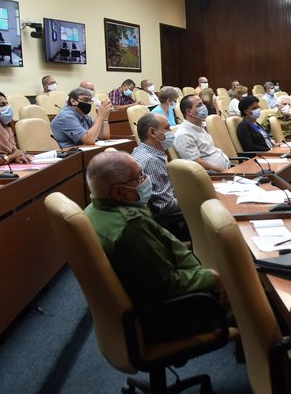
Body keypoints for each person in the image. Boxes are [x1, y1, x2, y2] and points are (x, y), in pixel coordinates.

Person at [84, 151, 226, 341]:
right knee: (255, 296)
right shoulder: (130, 227)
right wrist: (212, 277)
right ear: (118, 191)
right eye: (139, 177)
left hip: (155, 301)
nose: (146, 180)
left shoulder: (93, 211)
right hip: (176, 313)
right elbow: (166, 285)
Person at [131, 114, 190, 240]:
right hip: (169, 226)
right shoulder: (151, 161)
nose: (171, 132)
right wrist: (196, 198)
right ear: (153, 132)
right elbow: (165, 206)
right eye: (167, 128)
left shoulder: (140, 151)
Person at [173, 94, 230, 172]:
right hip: (216, 176)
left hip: (227, 169)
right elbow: (198, 163)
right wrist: (225, 172)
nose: (204, 107)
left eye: (202, 103)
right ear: (189, 112)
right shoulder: (184, 135)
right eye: (199, 105)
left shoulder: (200, 127)